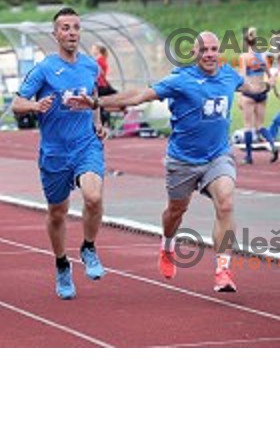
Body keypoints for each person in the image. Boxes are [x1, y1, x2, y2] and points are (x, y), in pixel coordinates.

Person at [76, 31, 272, 293]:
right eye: (204, 50)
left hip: (218, 156)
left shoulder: (229, 75)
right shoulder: (180, 80)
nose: (210, 54)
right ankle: (167, 245)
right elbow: (139, 96)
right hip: (183, 160)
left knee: (226, 202)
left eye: (214, 49)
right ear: (194, 53)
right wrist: (98, 101)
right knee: (175, 212)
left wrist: (267, 84)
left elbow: (253, 88)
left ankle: (222, 269)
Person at [12, 7, 107, 300]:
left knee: (93, 196)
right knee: (57, 213)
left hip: (85, 145)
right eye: (65, 28)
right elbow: (17, 103)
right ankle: (62, 263)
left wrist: (98, 123)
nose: (71, 33)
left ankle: (88, 247)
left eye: (76, 27)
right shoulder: (43, 69)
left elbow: (94, 100)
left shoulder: (91, 66)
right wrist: (34, 106)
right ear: (55, 34)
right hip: (54, 152)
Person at [238, 27, 277, 164]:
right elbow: (270, 76)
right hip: (262, 93)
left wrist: (239, 97)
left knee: (248, 125)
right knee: (260, 125)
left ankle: (248, 157)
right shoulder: (262, 57)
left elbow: (242, 78)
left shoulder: (244, 57)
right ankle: (272, 145)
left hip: (249, 93)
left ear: (245, 42)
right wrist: (271, 88)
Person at [90, 44, 118, 128]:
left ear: (98, 50)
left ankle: (101, 124)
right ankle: (103, 123)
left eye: (93, 48)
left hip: (100, 86)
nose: (92, 50)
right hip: (102, 85)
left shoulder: (99, 61)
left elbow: (98, 74)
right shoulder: (101, 60)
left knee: (97, 106)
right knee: (99, 106)